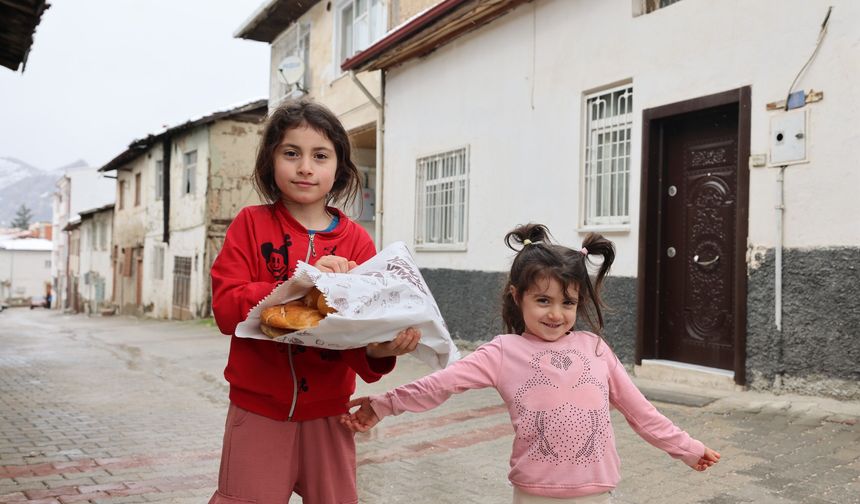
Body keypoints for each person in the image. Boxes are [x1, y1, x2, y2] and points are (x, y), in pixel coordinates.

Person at [341, 224, 720, 503]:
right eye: (543, 301)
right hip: (534, 494)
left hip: (598, 492)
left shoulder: (596, 349)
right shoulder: (503, 352)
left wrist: (686, 448)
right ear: (517, 296)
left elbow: (641, 412)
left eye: (567, 303)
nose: (556, 314)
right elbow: (442, 384)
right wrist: (382, 404)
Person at [208, 99, 420, 504]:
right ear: (271, 160)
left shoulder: (357, 241)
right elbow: (226, 307)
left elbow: (358, 334)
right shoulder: (250, 225)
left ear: (338, 168)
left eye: (320, 155)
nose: (305, 167)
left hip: (330, 412)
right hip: (258, 409)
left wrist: (383, 348)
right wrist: (303, 283)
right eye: (291, 153)